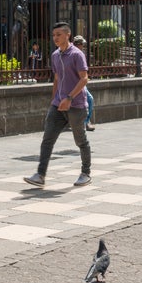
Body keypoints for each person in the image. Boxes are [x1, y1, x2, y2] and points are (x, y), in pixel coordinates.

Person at [25, 22, 92, 188]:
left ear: (67, 35)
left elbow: (84, 78)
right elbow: (56, 79)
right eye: (53, 35)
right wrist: (54, 100)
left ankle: (85, 173)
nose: (55, 38)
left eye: (58, 35)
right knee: (47, 139)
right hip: (58, 105)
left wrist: (69, 98)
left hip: (76, 105)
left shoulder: (77, 55)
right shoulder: (55, 55)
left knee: (80, 141)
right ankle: (40, 175)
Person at [73, 35, 95, 131]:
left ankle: (85, 121)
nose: (83, 46)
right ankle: (85, 122)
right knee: (89, 99)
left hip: (80, 82)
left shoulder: (80, 54)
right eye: (82, 44)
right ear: (78, 45)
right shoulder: (73, 54)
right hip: (74, 82)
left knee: (88, 100)